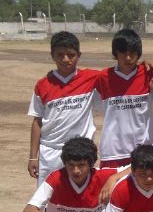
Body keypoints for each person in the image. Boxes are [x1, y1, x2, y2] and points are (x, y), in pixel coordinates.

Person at [27, 31, 100, 185]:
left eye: (70, 55)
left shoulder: (91, 78)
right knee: (49, 199)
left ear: (79, 55)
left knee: (80, 198)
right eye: (60, 55)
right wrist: (33, 156)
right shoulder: (43, 84)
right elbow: (37, 121)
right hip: (50, 152)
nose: (65, 59)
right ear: (52, 55)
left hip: (81, 154)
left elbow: (121, 72)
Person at [96, 29, 153, 168]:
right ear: (115, 53)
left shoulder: (149, 74)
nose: (128, 58)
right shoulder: (103, 77)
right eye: (123, 53)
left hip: (145, 148)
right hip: (113, 151)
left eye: (132, 53)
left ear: (138, 54)